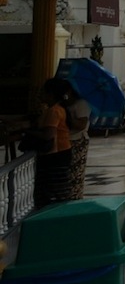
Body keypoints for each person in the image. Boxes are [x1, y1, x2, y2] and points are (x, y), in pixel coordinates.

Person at [34, 78, 73, 208]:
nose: (40, 94)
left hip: (54, 155)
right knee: (58, 189)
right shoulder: (59, 108)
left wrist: (27, 134)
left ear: (50, 94)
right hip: (62, 153)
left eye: (43, 92)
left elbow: (48, 135)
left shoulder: (54, 111)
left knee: (52, 191)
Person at [65, 84, 92, 199]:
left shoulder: (81, 104)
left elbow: (81, 125)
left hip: (77, 140)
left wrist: (66, 117)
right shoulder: (66, 104)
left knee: (75, 174)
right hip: (67, 140)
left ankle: (75, 197)